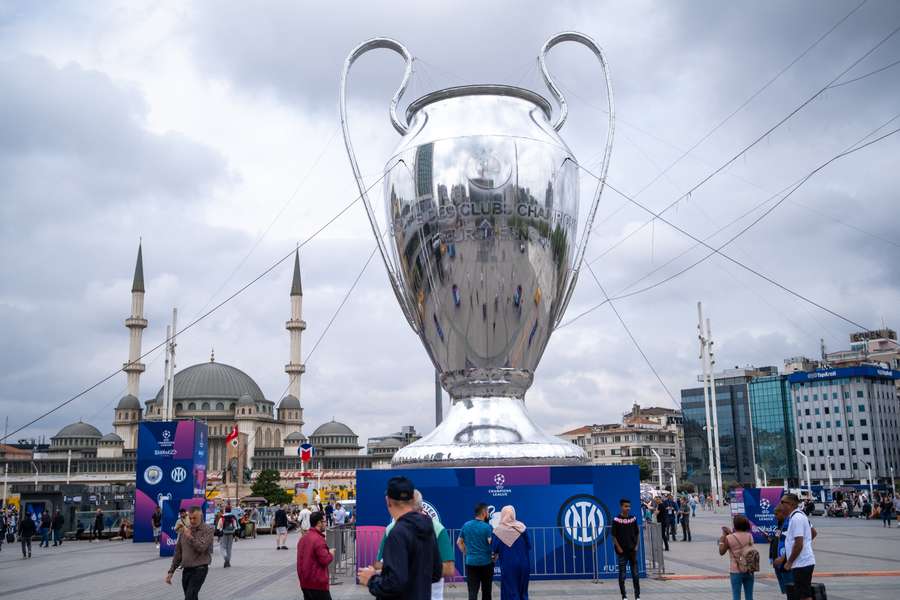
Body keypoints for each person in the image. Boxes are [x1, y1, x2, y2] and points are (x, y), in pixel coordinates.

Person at [358, 476, 441, 600]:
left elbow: (394, 584)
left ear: (388, 501)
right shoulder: (428, 526)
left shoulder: (397, 533)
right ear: (413, 499)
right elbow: (435, 573)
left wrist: (371, 579)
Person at [165, 506, 213, 600]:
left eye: (195, 518)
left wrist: (190, 537)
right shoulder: (185, 531)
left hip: (200, 569)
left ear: (201, 516)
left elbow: (202, 547)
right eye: (190, 518)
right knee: (192, 597)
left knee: (189, 597)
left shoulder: (208, 530)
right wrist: (171, 571)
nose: (192, 520)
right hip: (186, 570)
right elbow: (178, 553)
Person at [776, 493, 815, 600]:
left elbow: (798, 543)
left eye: (782, 502)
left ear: (791, 504)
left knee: (804, 596)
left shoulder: (796, 518)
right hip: (801, 562)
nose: (780, 505)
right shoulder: (797, 516)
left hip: (801, 563)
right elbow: (812, 534)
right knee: (802, 594)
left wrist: (789, 562)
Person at [490, 505, 529, 600]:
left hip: (508, 565)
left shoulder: (498, 531)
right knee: (523, 592)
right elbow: (528, 545)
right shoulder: (522, 527)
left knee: (510, 591)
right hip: (524, 564)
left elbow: (494, 549)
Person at [458, 502, 494, 600]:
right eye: (487, 511)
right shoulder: (487, 527)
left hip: (471, 563)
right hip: (486, 563)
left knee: (472, 592)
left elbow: (459, 542)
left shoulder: (466, 525)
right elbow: (491, 543)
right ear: (483, 512)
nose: (488, 513)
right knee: (486, 592)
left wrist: (466, 553)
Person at [297, 511, 334, 600]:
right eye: (324, 521)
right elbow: (325, 560)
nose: (326, 524)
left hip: (305, 582)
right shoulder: (318, 539)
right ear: (319, 523)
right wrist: (331, 553)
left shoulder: (303, 538)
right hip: (317, 583)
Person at [718, 514, 755, 600]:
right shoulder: (750, 536)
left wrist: (722, 539)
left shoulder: (729, 538)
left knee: (736, 596)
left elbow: (721, 552)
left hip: (736, 570)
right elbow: (741, 541)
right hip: (749, 569)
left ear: (735, 525)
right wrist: (730, 533)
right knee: (749, 596)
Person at [611, 498, 640, 600]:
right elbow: (613, 536)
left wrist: (636, 546)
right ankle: (624, 596)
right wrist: (619, 548)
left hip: (632, 551)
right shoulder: (616, 520)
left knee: (635, 575)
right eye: (626, 506)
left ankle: (637, 596)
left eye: (629, 506)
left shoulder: (633, 519)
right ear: (621, 507)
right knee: (622, 575)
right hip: (622, 552)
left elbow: (637, 533)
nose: (628, 508)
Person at [767, 503, 793, 597]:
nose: (775, 517)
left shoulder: (789, 524)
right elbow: (778, 538)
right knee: (786, 590)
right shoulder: (780, 524)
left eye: (776, 514)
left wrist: (783, 558)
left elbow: (793, 544)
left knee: (791, 589)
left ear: (783, 513)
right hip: (778, 563)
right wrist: (772, 539)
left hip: (785, 563)